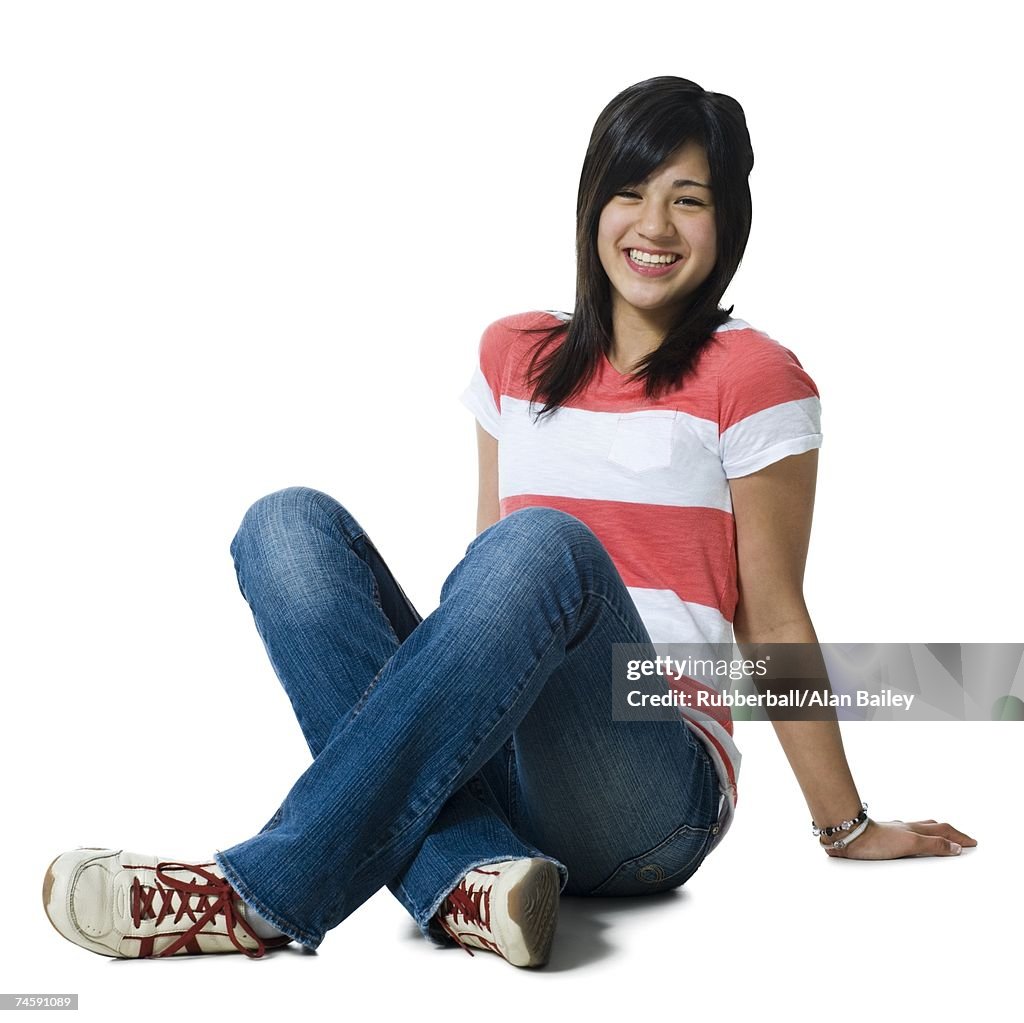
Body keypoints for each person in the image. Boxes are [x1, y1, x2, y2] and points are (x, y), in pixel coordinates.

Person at [42, 75, 976, 968]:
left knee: (541, 546)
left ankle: (259, 894)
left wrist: (845, 824)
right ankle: (472, 880)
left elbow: (771, 612)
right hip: (501, 759)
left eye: (688, 200)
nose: (653, 226)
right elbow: (486, 591)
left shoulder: (753, 375)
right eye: (631, 192)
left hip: (652, 785)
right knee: (285, 526)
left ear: (727, 222)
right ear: (592, 204)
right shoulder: (514, 353)